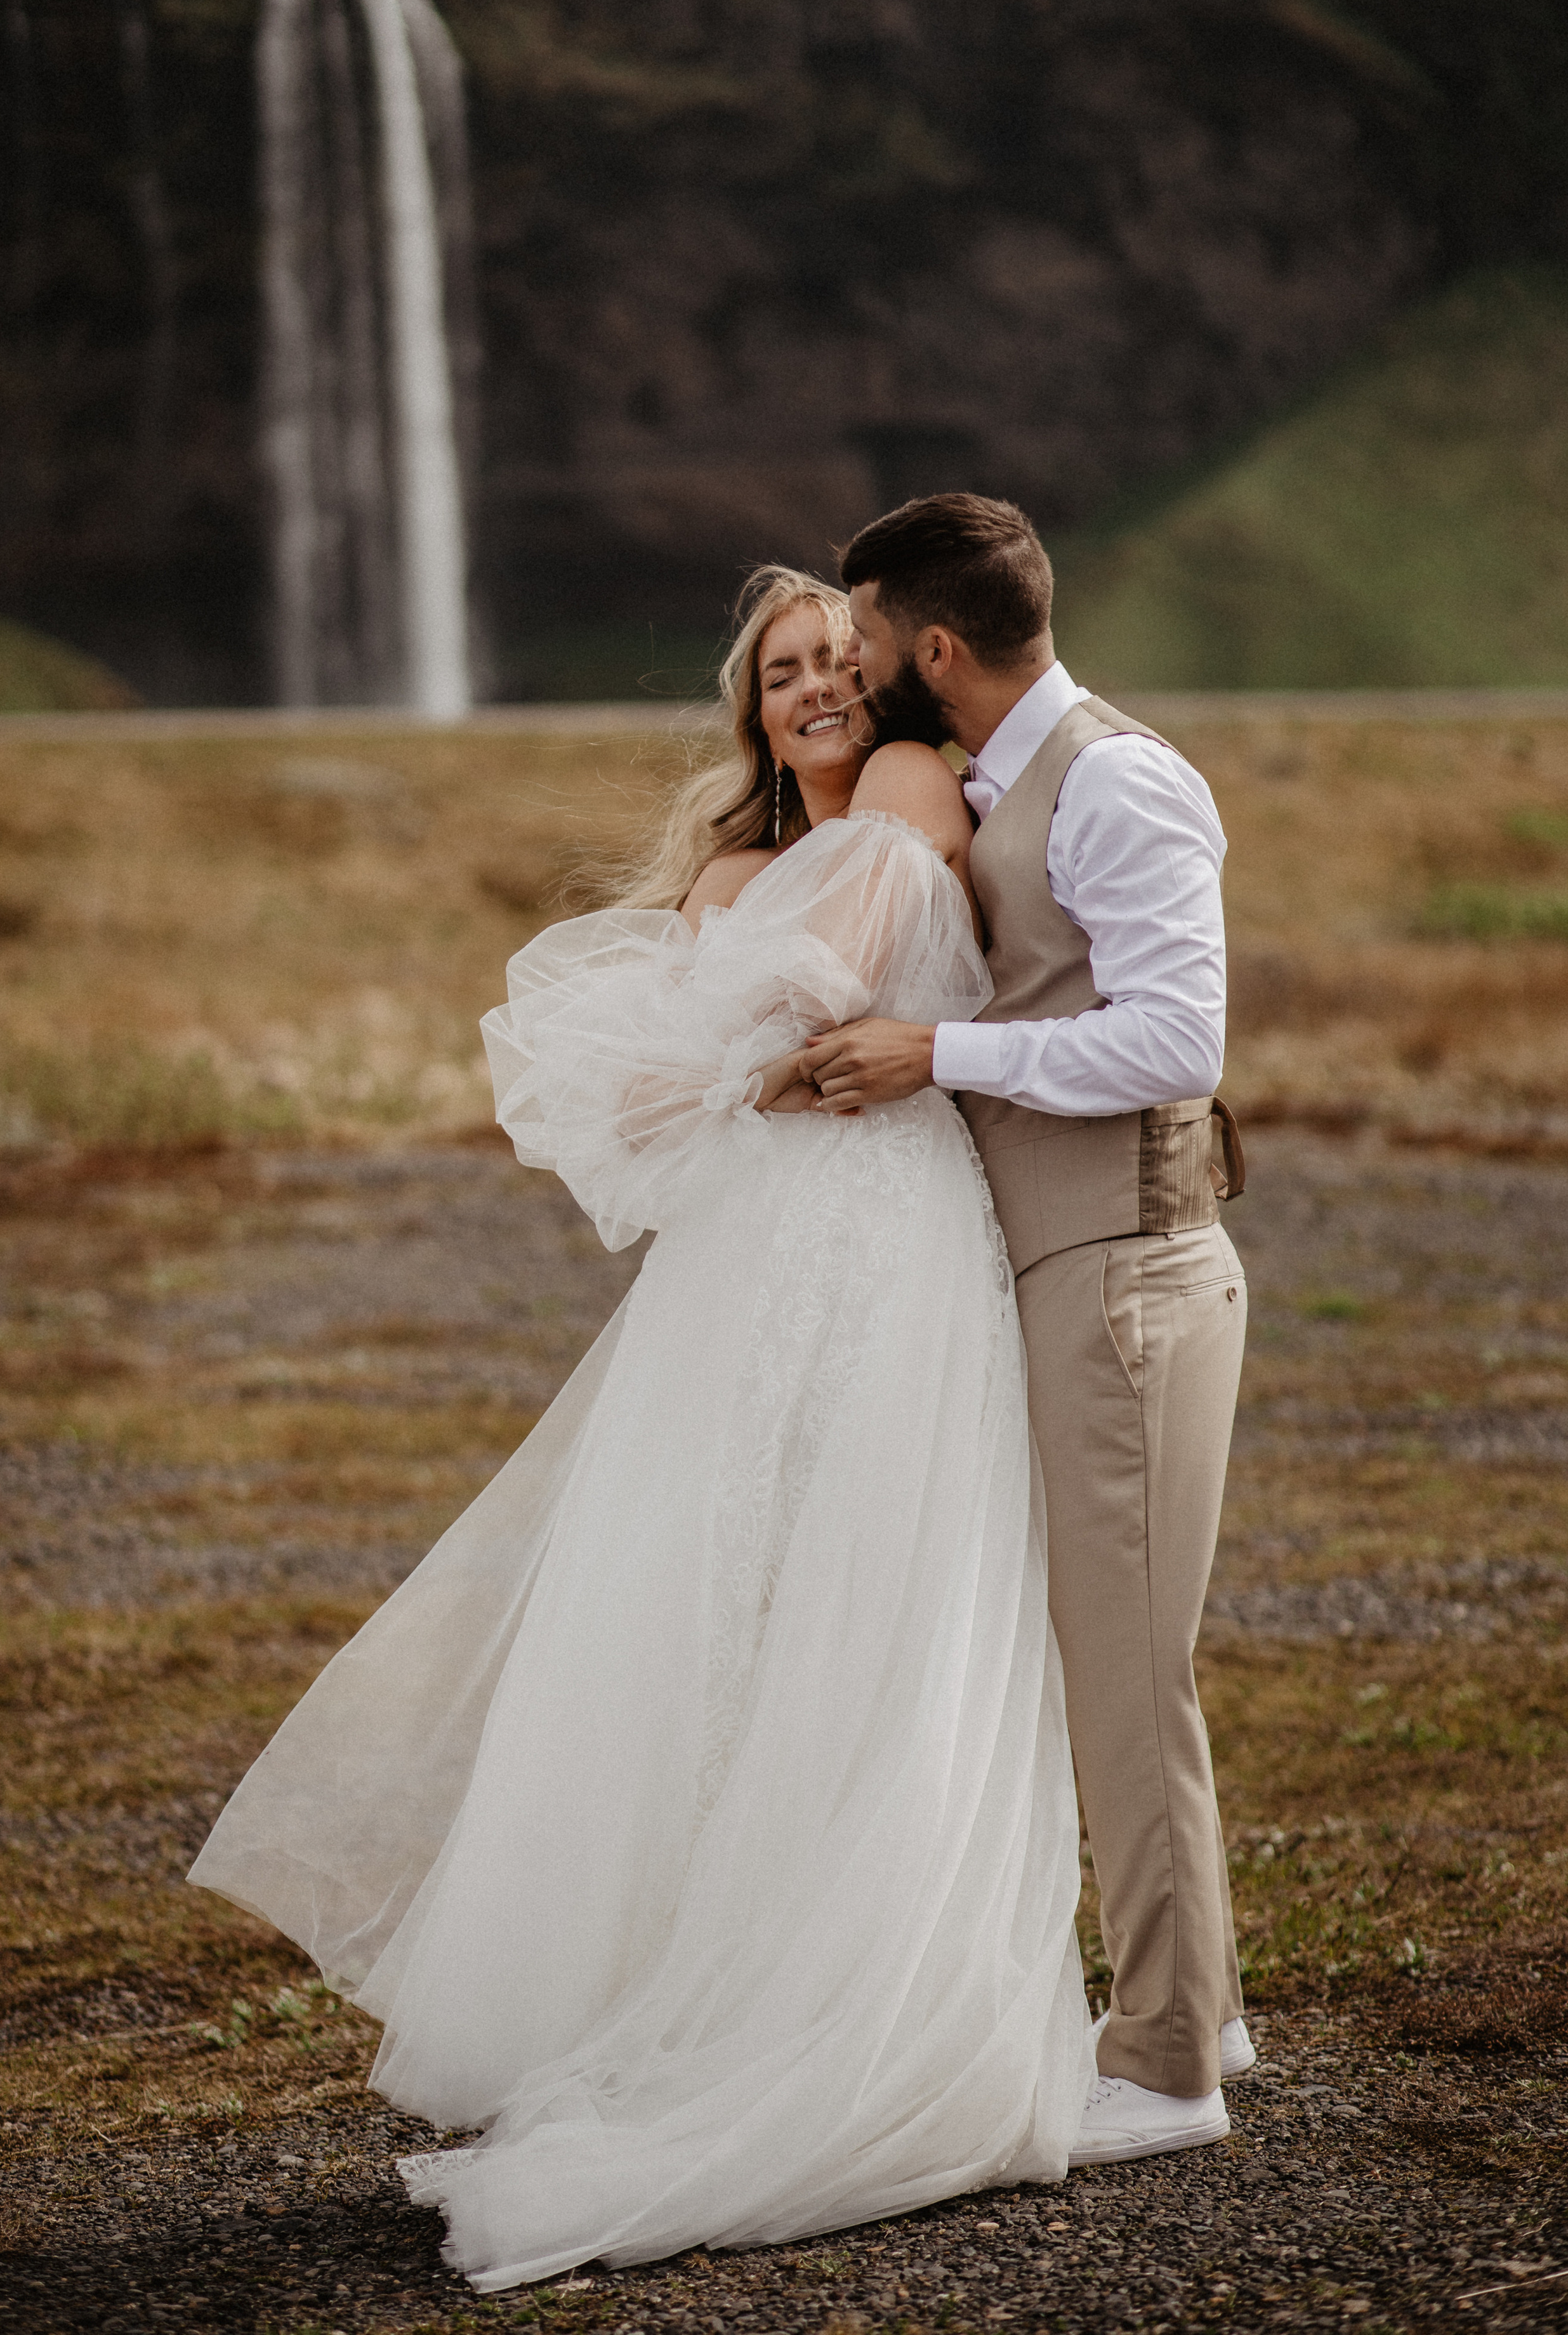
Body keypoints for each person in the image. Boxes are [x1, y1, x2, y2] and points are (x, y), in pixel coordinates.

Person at [187, 565, 1094, 2294]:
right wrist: (725, 1064)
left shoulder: (909, 791)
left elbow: (811, 992)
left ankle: (859, 1999)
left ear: (888, 675)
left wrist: (742, 1055)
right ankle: (694, 1980)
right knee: (713, 1615)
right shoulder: (722, 875)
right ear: (749, 709)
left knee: (875, 1597)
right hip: (739, 1269)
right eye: (783, 673)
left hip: (889, 1244)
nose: (819, 688)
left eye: (841, 658)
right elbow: (647, 1096)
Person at [802, 492, 1251, 2166]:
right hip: (1078, 1268)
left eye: (863, 651)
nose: (852, 679)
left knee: (1131, 1682)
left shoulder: (1119, 781)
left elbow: (1173, 1040)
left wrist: (940, 1055)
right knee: (1113, 1664)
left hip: (1130, 1272)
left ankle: (1165, 2065)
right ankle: (1193, 1994)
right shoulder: (998, 786)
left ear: (932, 651)